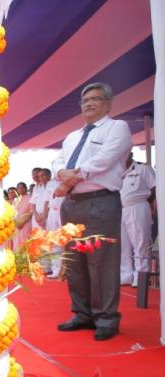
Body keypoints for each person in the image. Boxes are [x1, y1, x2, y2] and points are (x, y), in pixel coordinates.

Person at [54, 82, 132, 341]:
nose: (88, 103)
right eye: (84, 100)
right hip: (72, 205)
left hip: (100, 202)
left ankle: (106, 318)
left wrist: (70, 178)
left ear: (108, 103)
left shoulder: (117, 128)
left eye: (96, 99)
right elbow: (59, 161)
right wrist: (60, 174)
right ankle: (82, 313)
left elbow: (105, 159)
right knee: (74, 262)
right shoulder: (72, 136)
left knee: (102, 262)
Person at [119, 152, 156, 287]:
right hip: (120, 209)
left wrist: (150, 204)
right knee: (123, 244)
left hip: (138, 207)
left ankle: (141, 275)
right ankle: (126, 275)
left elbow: (155, 188)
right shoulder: (116, 171)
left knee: (140, 242)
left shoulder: (143, 169)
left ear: (131, 154)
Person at [11, 181, 32, 250]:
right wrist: (16, 221)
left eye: (22, 188)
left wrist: (22, 221)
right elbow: (12, 212)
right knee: (17, 243)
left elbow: (31, 212)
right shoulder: (16, 200)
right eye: (19, 188)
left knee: (26, 242)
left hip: (26, 223)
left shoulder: (30, 198)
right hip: (16, 224)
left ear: (26, 188)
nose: (20, 190)